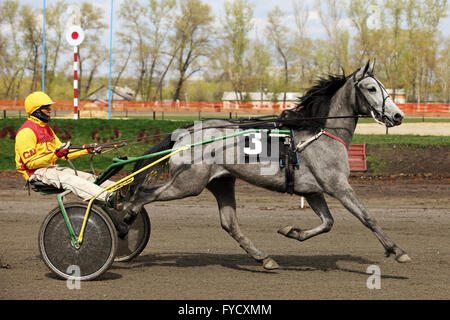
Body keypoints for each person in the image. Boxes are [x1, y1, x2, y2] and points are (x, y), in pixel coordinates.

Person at [15, 91, 120, 209]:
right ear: (36, 110)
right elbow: (30, 163)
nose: (50, 110)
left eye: (50, 107)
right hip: (35, 173)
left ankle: (121, 189)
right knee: (70, 179)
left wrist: (87, 149)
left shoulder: (46, 128)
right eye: (46, 108)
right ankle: (108, 197)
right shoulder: (26, 132)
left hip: (51, 168)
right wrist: (55, 154)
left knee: (87, 177)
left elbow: (64, 151)